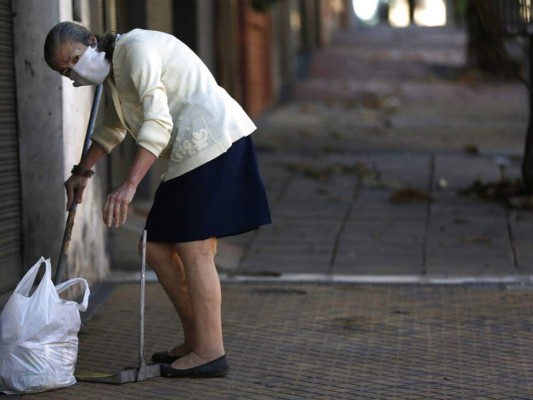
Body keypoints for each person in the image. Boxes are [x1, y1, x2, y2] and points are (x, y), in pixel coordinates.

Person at [43, 21, 271, 378]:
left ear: (91, 41)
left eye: (73, 59)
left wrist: (129, 185)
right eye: (65, 71)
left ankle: (211, 351)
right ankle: (197, 339)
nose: (74, 72)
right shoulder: (114, 73)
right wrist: (82, 171)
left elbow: (158, 122)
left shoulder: (136, 51)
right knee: (158, 247)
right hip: (188, 154)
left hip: (214, 142)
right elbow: (113, 128)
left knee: (193, 247)